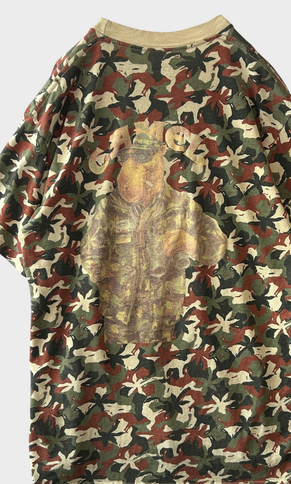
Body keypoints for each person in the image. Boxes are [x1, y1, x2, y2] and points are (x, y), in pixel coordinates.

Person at [79, 132, 227, 345]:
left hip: (164, 319)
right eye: (135, 159)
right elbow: (88, 255)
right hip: (116, 318)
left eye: (147, 160)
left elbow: (218, 246)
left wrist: (188, 242)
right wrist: (115, 272)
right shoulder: (110, 206)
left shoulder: (180, 204)